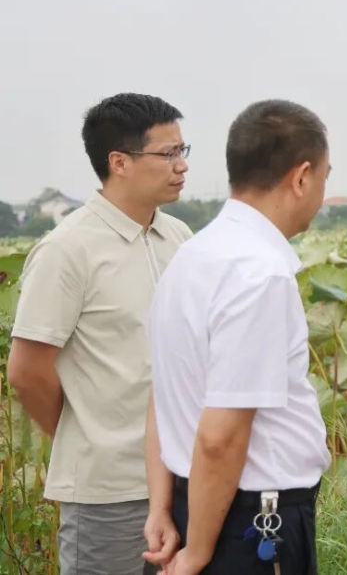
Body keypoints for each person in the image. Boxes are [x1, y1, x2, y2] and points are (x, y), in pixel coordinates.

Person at [142, 99, 332, 574]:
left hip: (190, 505)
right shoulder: (259, 274)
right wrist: (198, 553)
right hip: (246, 525)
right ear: (302, 177)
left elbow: (163, 394)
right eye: (325, 177)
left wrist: (161, 508)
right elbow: (220, 436)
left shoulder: (191, 256)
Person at [8, 93, 192, 575]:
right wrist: (87, 435)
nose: (181, 165)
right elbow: (27, 372)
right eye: (167, 153)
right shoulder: (67, 250)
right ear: (119, 162)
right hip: (108, 494)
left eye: (182, 150)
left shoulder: (179, 238)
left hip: (182, 481)